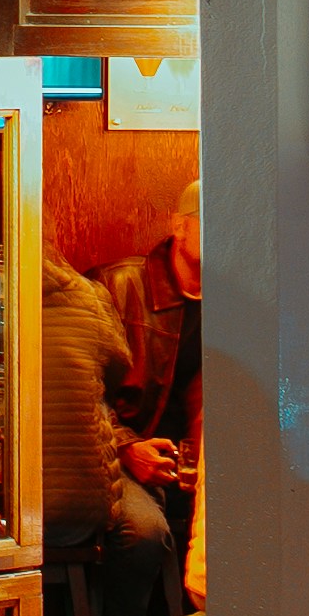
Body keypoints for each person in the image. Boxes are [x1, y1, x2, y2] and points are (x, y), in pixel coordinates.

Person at [39, 247, 173, 616]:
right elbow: (114, 376)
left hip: (105, 454)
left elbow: (104, 393)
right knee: (141, 531)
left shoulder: (89, 297)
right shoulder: (102, 293)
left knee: (145, 530)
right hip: (89, 469)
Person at [107, 180, 204, 588]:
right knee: (145, 535)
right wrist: (127, 447)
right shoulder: (119, 285)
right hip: (122, 456)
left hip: (190, 466)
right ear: (179, 227)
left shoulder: (240, 301)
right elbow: (76, 393)